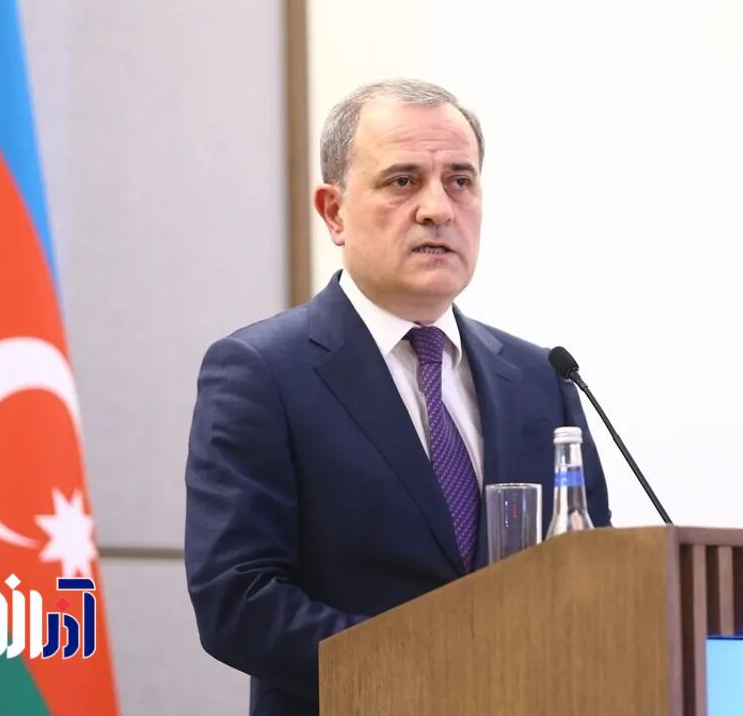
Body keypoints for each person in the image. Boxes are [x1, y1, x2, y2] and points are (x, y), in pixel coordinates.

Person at [184, 79, 612, 716]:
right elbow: (238, 601)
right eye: (403, 180)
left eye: (460, 181)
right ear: (334, 212)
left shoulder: (541, 376)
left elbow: (592, 575)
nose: (437, 208)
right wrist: (434, 669)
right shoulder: (261, 372)